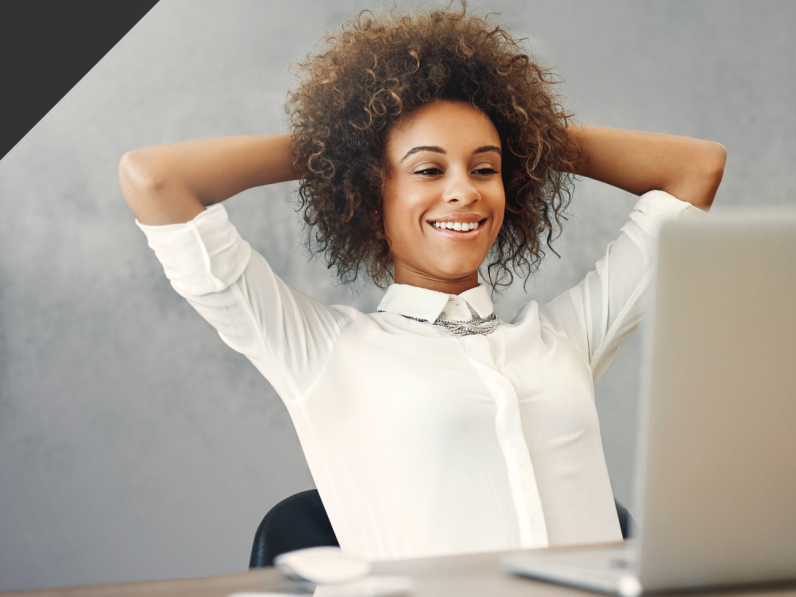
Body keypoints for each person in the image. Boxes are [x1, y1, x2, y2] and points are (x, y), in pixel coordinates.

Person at [119, 4, 725, 561]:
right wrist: (343, 144)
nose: (463, 189)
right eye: (428, 169)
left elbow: (696, 168)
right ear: (369, 191)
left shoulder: (565, 340)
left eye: (484, 168)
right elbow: (154, 179)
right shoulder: (322, 352)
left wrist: (526, 137)